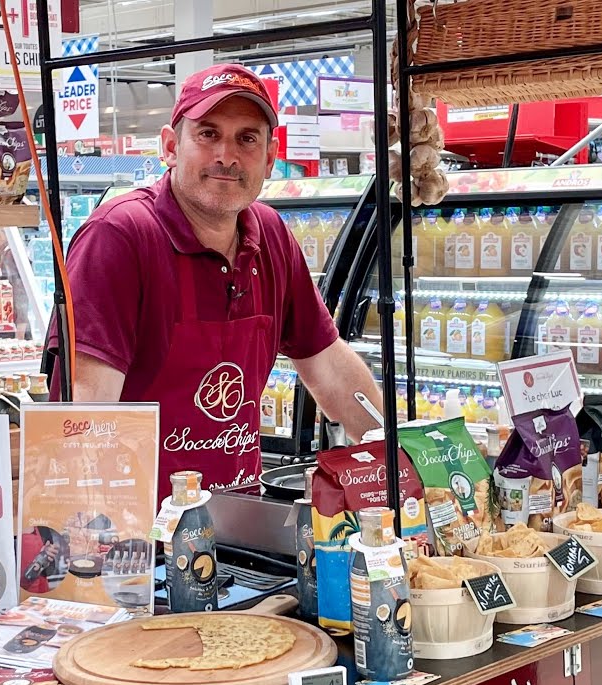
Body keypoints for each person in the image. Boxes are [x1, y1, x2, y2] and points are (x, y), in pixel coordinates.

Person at [45, 64, 383, 503]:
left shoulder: (270, 234)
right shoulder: (119, 236)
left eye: (247, 138)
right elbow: (86, 414)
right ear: (170, 146)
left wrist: (391, 456)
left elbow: (327, 362)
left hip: (239, 525)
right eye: (208, 134)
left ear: (270, 156)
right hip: (139, 539)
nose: (227, 156)